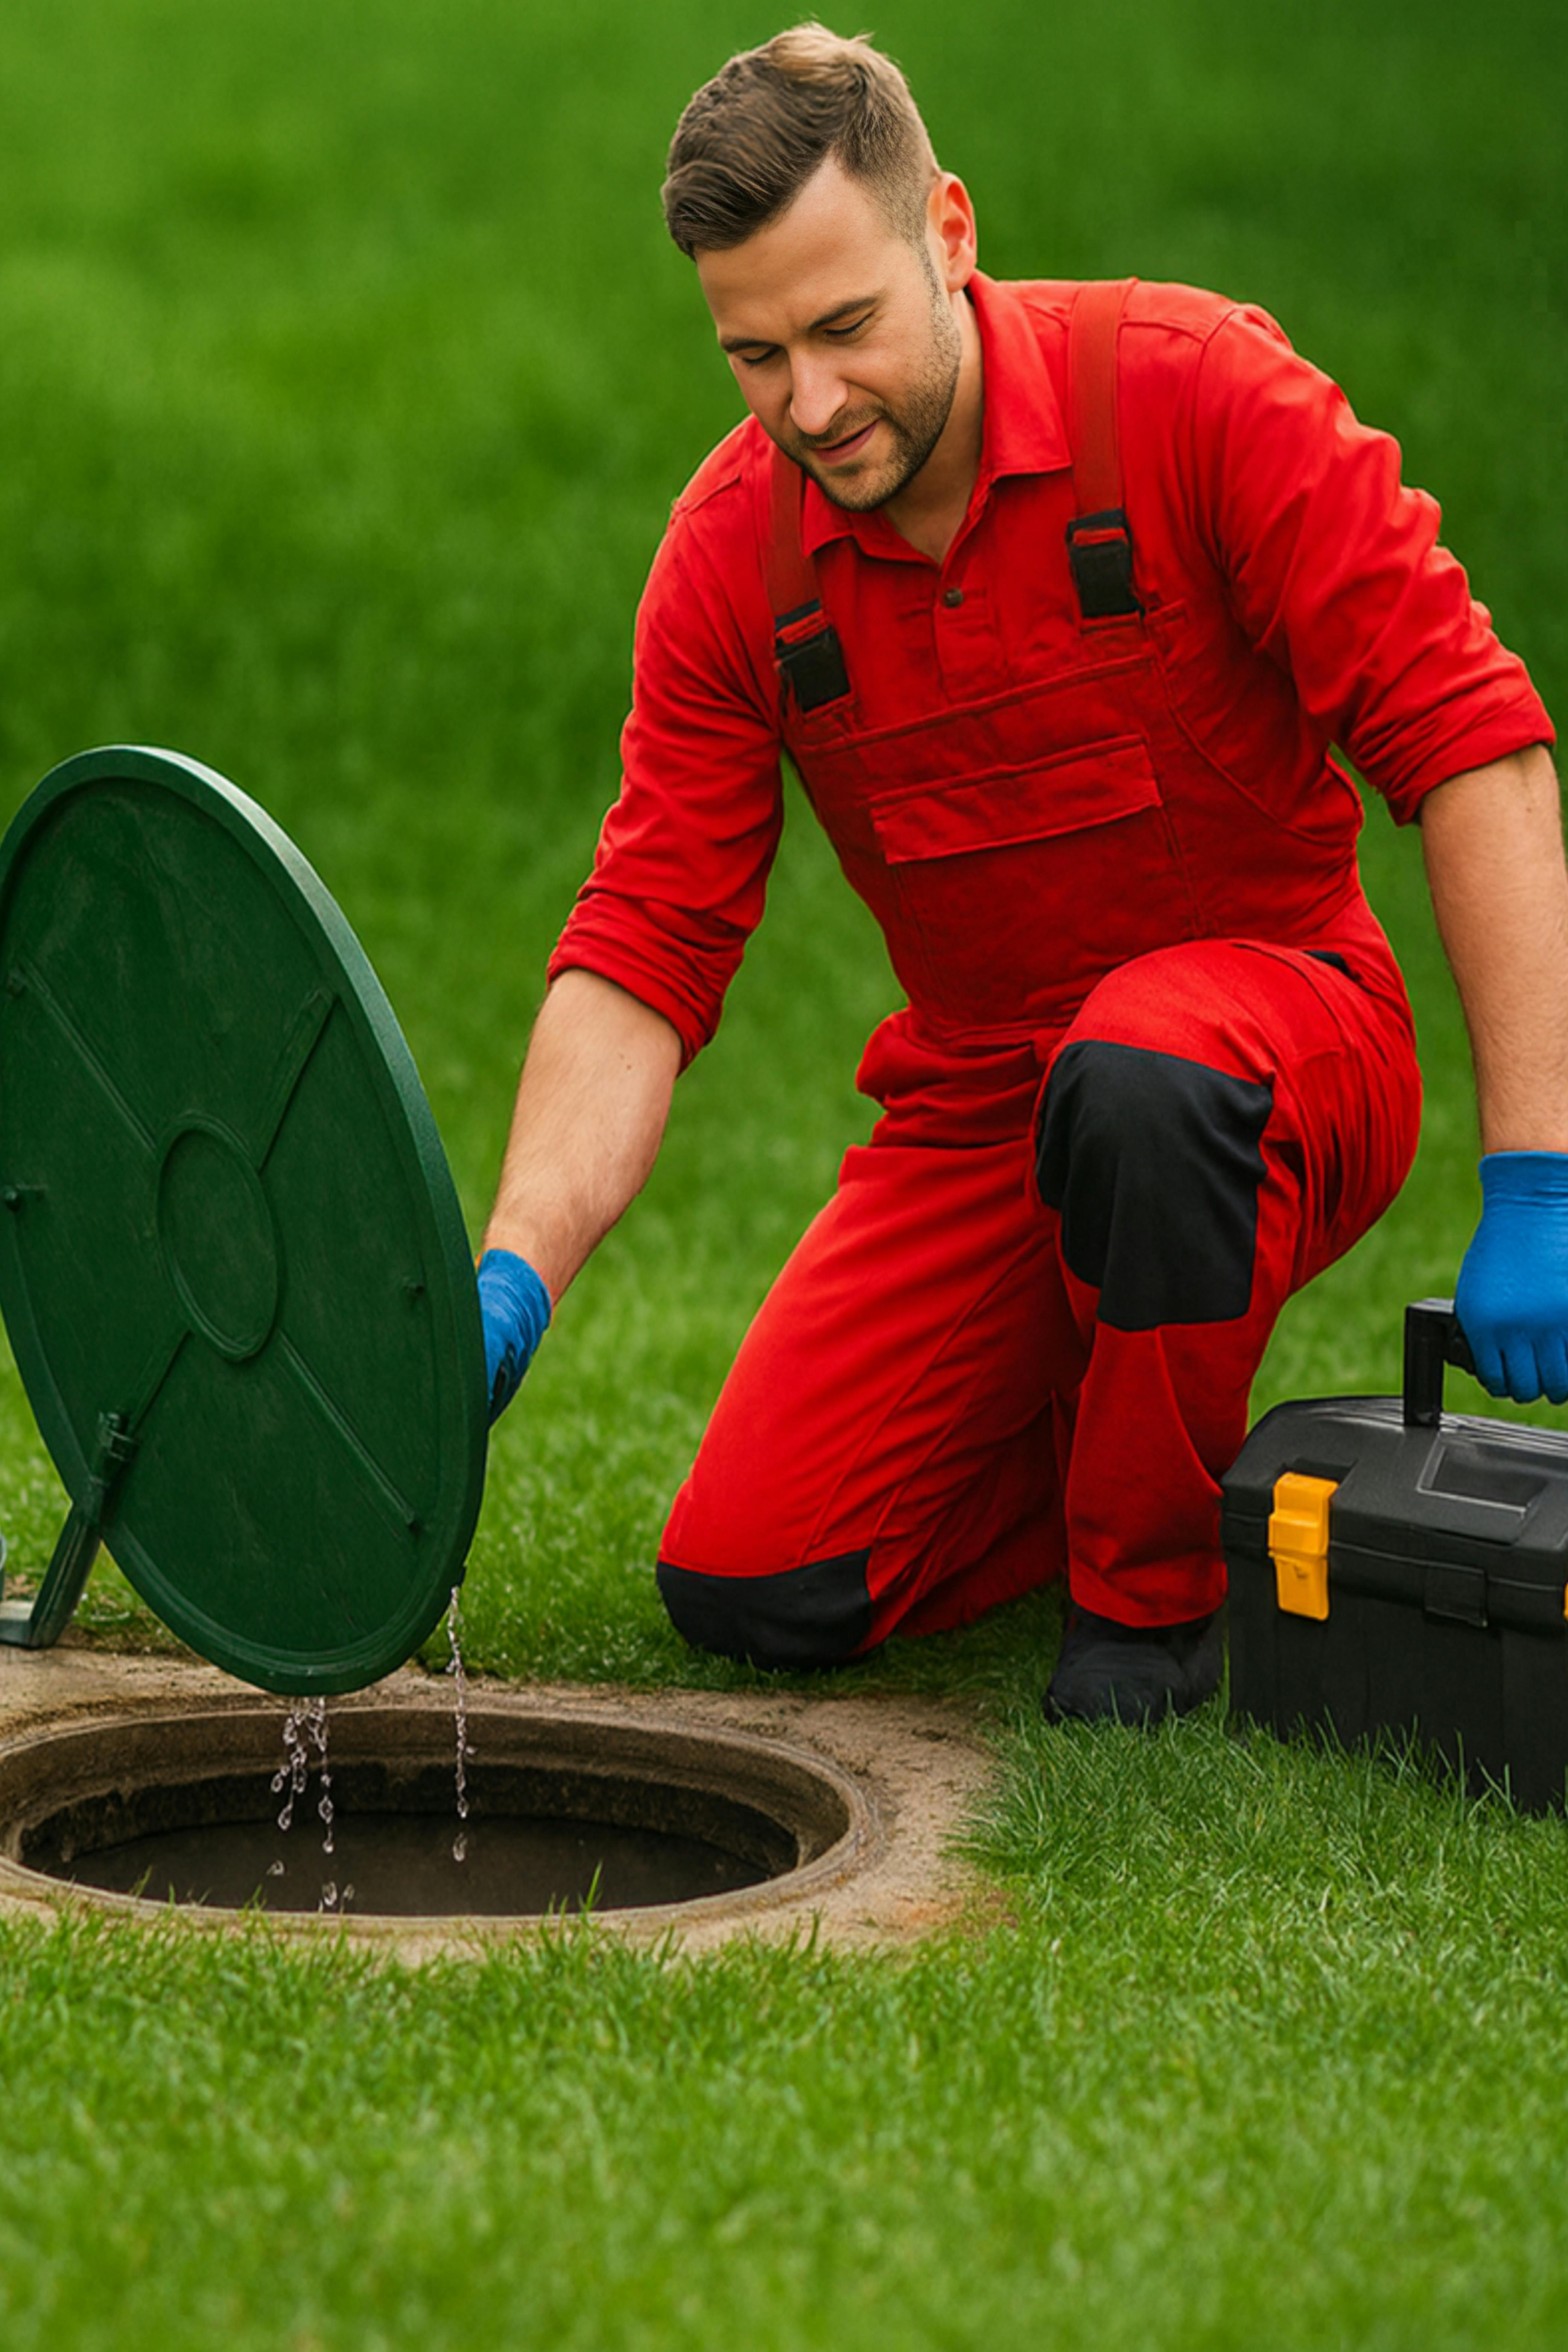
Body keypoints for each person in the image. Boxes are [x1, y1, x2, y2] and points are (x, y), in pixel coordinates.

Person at [475, 26, 1564, 1724]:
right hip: (986, 1099)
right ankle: (1114, 1430)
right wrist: (511, 1275)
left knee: (1144, 1077)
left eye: (844, 329)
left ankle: (1144, 1609)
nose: (811, 405)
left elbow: (1473, 748)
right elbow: (644, 948)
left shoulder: (1195, 394)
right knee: (756, 1583)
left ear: (952, 233)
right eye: (753, 356)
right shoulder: (730, 559)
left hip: (1284, 1028)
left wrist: (1541, 1184)